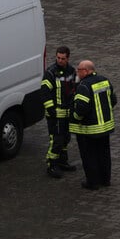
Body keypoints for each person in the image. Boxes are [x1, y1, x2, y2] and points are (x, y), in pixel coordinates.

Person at [70, 59, 118, 190]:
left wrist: (74, 117)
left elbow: (81, 108)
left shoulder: (83, 86)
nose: (77, 73)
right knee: (104, 154)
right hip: (105, 127)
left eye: (79, 70)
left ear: (85, 71)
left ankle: (92, 182)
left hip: (89, 129)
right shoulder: (104, 80)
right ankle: (105, 179)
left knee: (89, 156)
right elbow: (113, 100)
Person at [41, 46, 77, 179]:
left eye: (63, 58)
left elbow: (75, 88)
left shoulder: (72, 71)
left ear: (68, 58)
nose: (60, 60)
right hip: (55, 114)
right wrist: (51, 110)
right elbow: (45, 92)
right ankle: (52, 165)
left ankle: (62, 162)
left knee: (66, 138)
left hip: (67, 113)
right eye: (58, 58)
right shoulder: (51, 73)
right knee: (56, 140)